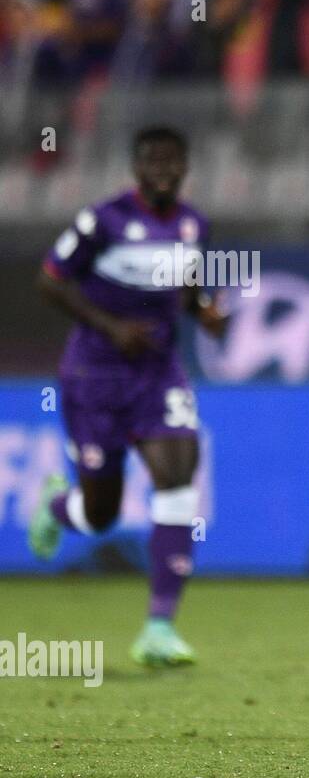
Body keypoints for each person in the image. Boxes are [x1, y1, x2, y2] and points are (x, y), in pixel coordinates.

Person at [27, 126, 227, 666]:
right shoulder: (103, 220)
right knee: (102, 511)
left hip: (158, 374)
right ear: (135, 168)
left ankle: (159, 626)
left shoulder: (192, 225)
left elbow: (186, 287)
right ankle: (56, 506)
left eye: (172, 161)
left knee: (178, 472)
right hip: (95, 375)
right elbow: (50, 279)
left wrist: (203, 311)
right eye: (151, 161)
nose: (162, 170)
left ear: (185, 167)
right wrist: (111, 327)